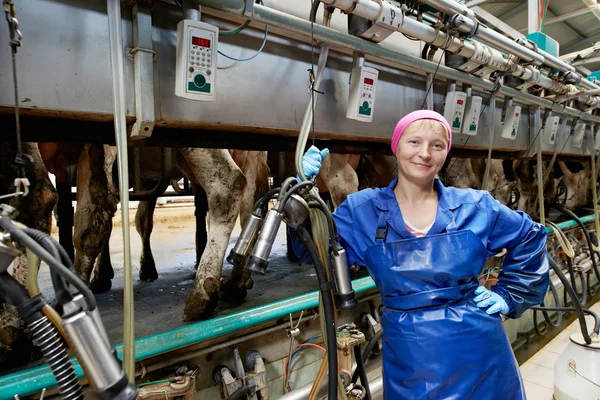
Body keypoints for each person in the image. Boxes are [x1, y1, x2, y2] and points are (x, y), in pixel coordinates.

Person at [300, 110, 549, 399]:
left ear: (445, 153)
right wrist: (304, 191)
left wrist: (509, 295)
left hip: (480, 353)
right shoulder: (362, 211)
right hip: (410, 356)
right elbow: (311, 249)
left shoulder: (475, 206)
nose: (425, 154)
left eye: (437, 145)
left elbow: (530, 235)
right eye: (414, 142)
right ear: (396, 146)